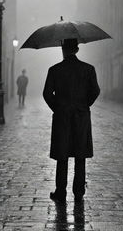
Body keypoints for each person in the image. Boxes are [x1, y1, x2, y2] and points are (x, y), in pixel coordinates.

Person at [43, 38, 100, 203]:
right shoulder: (88, 69)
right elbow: (95, 91)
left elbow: (47, 94)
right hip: (81, 118)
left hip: (62, 118)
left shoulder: (54, 70)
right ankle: (79, 191)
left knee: (62, 156)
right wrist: (83, 105)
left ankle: (61, 192)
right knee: (80, 155)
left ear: (63, 50)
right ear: (77, 49)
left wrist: (59, 108)